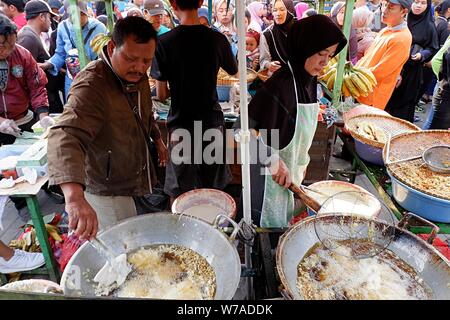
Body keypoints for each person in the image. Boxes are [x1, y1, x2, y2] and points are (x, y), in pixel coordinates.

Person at [47, 16, 168, 240]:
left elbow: (144, 111)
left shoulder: (135, 74)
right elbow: (65, 135)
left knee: (132, 234)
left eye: (146, 61)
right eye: (132, 58)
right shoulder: (92, 85)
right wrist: (74, 197)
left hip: (131, 175)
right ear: (112, 47)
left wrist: (157, 139)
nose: (140, 67)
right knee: (120, 247)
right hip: (107, 185)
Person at [236, 15, 347, 227]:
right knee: (261, 239)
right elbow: (240, 129)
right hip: (266, 181)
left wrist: (301, 164)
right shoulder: (279, 85)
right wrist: (271, 159)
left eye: (330, 55)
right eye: (320, 53)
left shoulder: (310, 82)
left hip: (291, 179)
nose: (325, 62)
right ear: (304, 48)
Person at [151, 0, 237, 202]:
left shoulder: (163, 43)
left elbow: (161, 94)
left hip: (181, 126)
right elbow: (235, 71)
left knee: (181, 192)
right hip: (211, 123)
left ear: (172, 3)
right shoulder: (217, 39)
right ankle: (215, 230)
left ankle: (183, 232)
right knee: (214, 190)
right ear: (200, 2)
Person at [39, 0, 107, 100]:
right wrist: (48, 64)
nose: (78, 18)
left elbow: (105, 55)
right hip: (71, 80)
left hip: (94, 78)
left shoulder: (99, 28)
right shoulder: (63, 27)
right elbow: (60, 53)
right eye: (73, 14)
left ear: (86, 13)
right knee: (72, 108)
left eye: (81, 14)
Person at [0, 15, 52, 146]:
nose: (8, 51)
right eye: (2, 47)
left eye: (12, 45)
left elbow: (37, 87)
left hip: (24, 121)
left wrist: (43, 116)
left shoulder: (23, 55)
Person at [385, 0, 438, 122]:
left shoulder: (429, 26)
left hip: (411, 73)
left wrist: (422, 54)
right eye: (416, 1)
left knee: (403, 108)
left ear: (427, 6)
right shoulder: (402, 19)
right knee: (387, 101)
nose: (418, 5)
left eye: (423, 3)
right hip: (394, 66)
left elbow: (432, 48)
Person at [356, 0, 413, 110]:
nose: (384, 11)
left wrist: (354, 78)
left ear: (404, 12)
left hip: (371, 97)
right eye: (384, 5)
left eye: (390, 7)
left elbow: (380, 72)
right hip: (360, 89)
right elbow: (368, 57)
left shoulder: (402, 38)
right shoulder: (386, 30)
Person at [18, 0, 63, 114]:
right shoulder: (27, 38)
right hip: (39, 103)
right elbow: (24, 75)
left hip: (47, 97)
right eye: (49, 17)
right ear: (42, 16)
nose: (50, 21)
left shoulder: (33, 35)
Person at [259, 0, 295, 74]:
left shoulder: (299, 31)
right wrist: (269, 65)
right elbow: (263, 60)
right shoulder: (267, 35)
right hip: (277, 77)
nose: (278, 14)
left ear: (290, 11)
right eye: (275, 10)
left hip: (298, 77)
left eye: (282, 10)